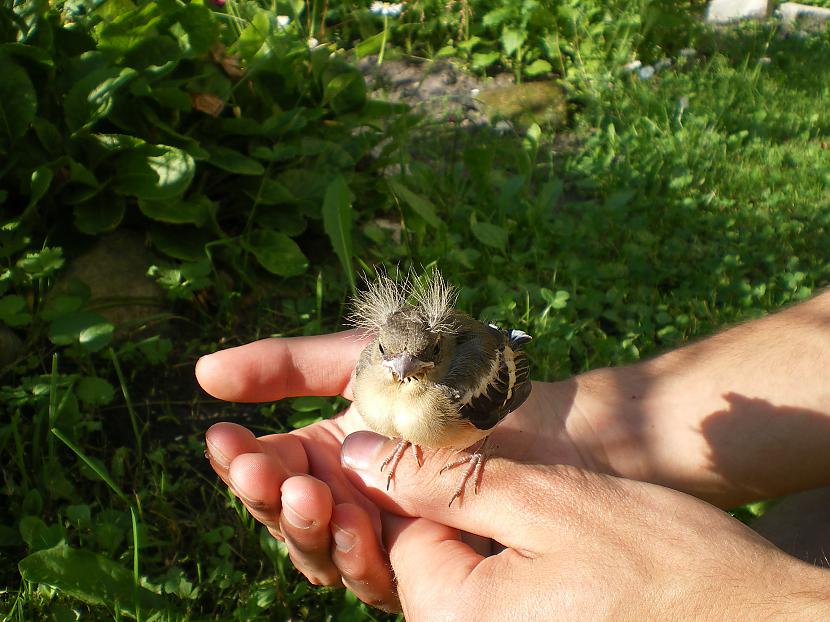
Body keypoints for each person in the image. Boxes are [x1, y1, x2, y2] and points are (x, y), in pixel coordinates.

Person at [197, 291, 830, 619]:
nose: (401, 376)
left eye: (417, 366)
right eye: (388, 364)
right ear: (376, 355)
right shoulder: (374, 376)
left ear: (433, 359)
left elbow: (507, 387)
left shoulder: (456, 391)